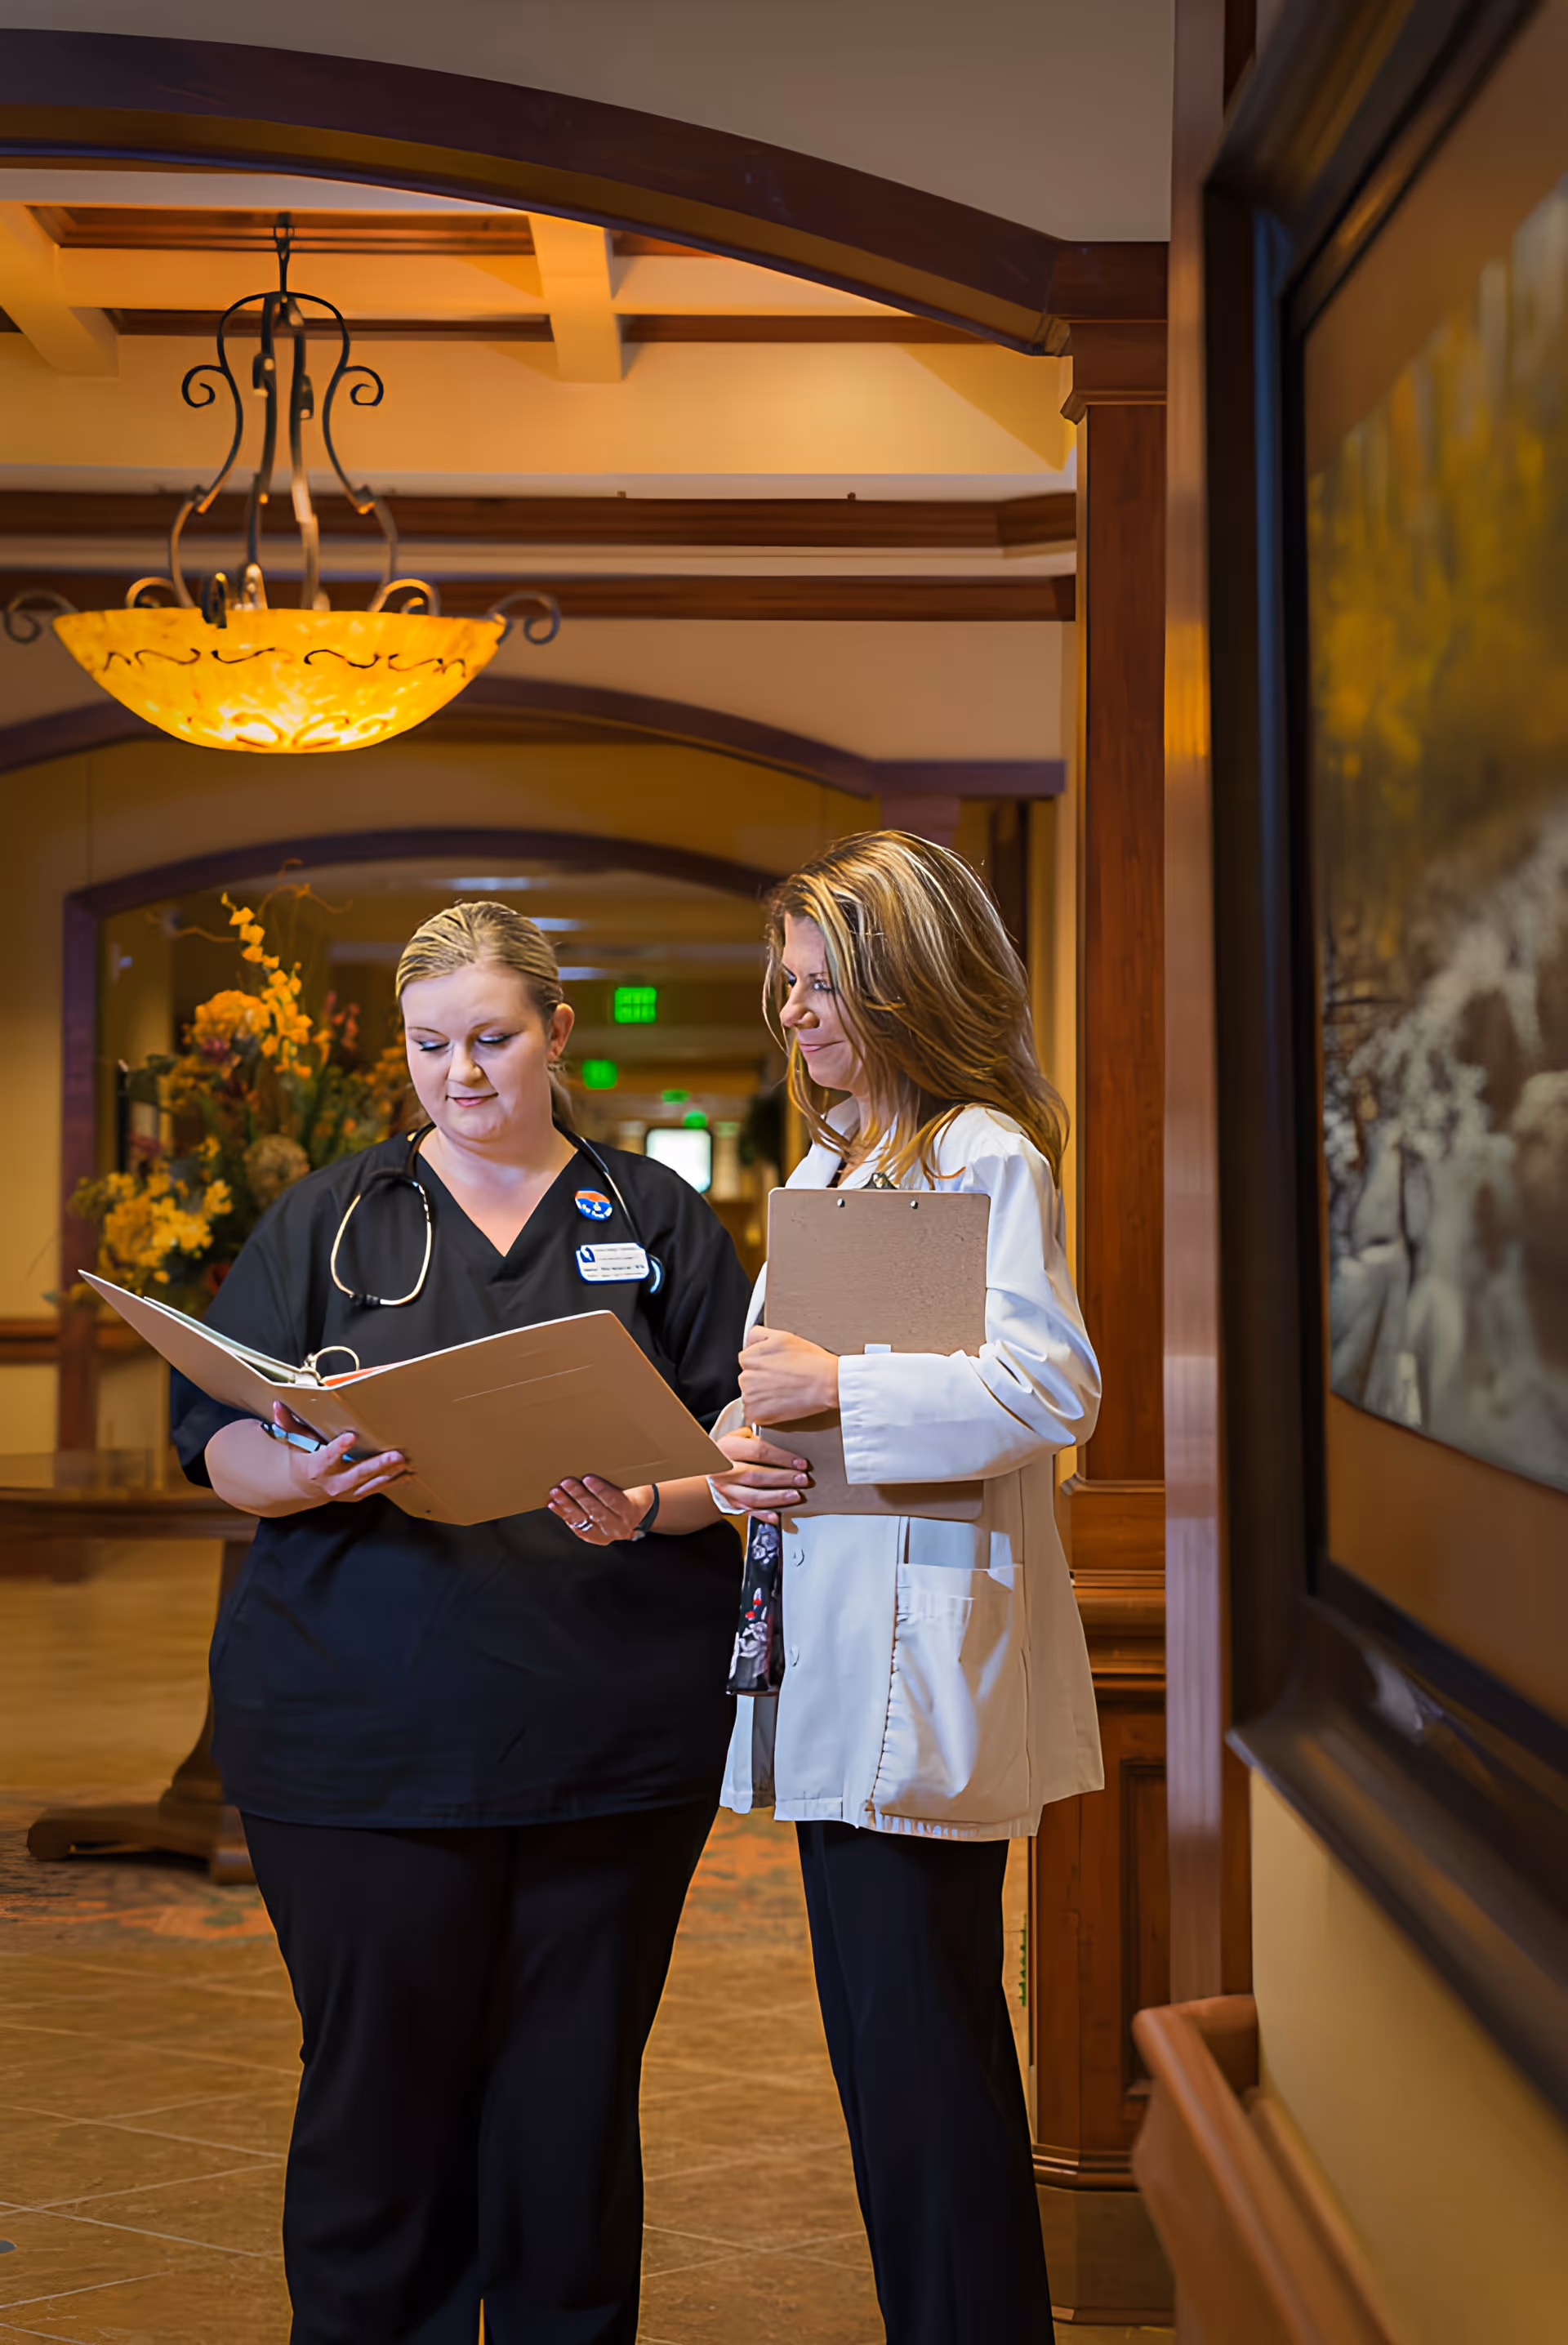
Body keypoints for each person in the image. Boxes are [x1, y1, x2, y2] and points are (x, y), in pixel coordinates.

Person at [172, 899, 751, 2345]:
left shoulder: (653, 1217)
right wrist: (300, 1471)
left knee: (570, 2102)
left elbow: (740, 1449)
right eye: (432, 1046)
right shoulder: (331, 1212)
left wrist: (659, 1500)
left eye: (492, 1040)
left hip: (609, 1739)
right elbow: (213, 1437)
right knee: (380, 2100)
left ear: (559, 1033)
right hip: (359, 1741)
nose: (462, 1074)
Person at [554, 832, 1102, 2345]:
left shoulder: (983, 1150)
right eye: (785, 985)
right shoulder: (830, 1165)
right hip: (834, 1651)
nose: (791, 1015)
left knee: (928, 2067)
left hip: (920, 1661)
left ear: (906, 984)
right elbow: (779, 1411)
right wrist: (736, 1457)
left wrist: (836, 1385)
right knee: (882, 2060)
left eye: (821, 985)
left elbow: (1052, 1388)